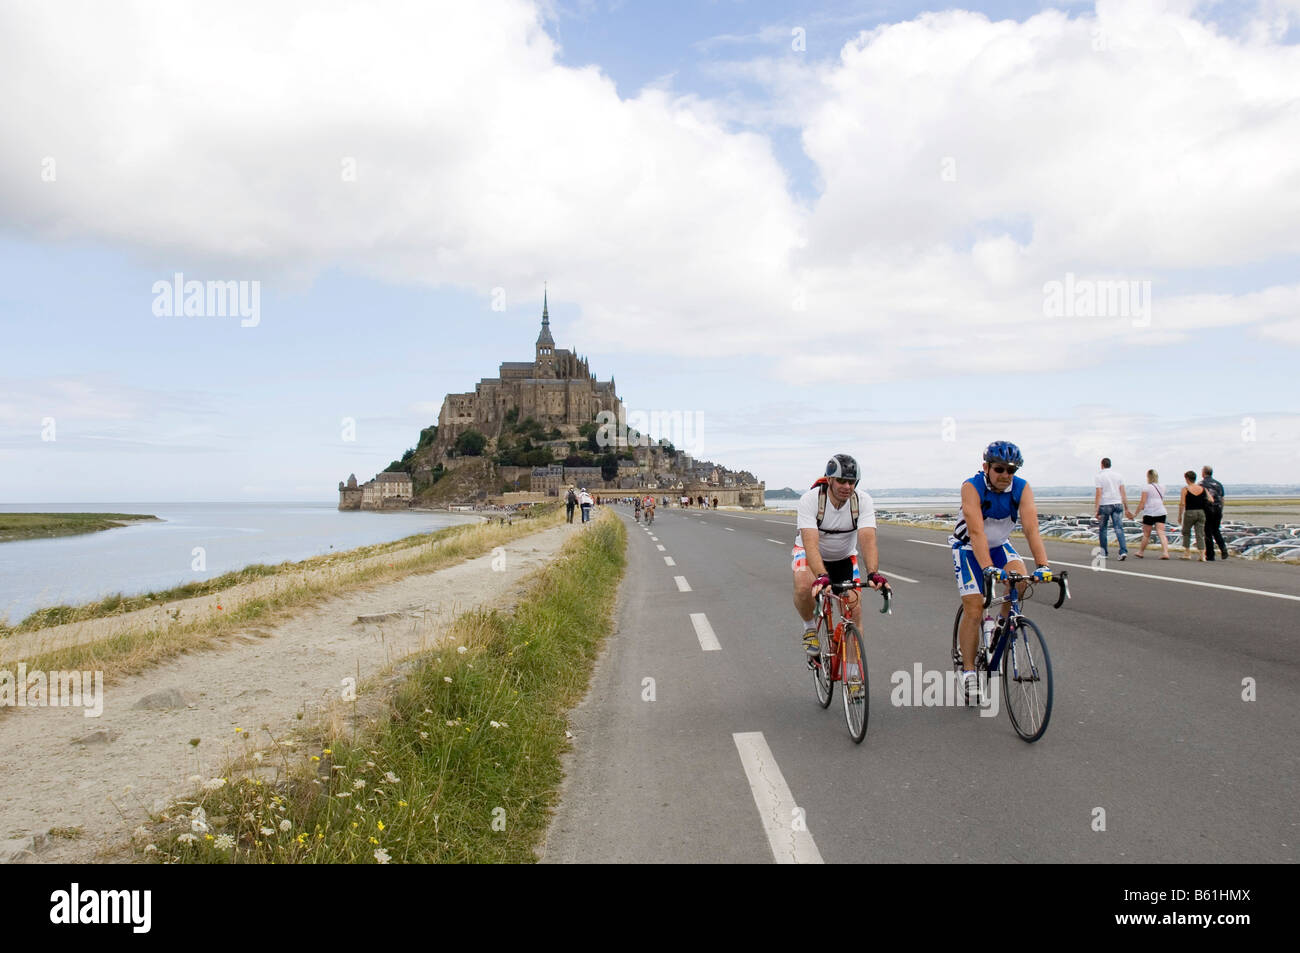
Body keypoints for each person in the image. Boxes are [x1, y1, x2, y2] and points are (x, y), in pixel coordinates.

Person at [952, 441, 1053, 703]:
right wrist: (988, 569)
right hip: (968, 548)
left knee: (1020, 582)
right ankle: (969, 671)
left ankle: (1000, 625)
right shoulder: (971, 487)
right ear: (986, 467)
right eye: (1000, 469)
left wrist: (1043, 566)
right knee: (975, 607)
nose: (1006, 475)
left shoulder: (1022, 488)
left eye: (1011, 470)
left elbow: (1031, 529)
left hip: (1000, 546)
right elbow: (976, 533)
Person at [791, 454, 887, 657]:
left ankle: (853, 677)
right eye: (842, 480)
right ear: (829, 479)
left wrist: (873, 573)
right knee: (802, 585)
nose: (847, 486)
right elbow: (810, 543)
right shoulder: (810, 500)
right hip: (810, 555)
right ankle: (809, 628)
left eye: (851, 482)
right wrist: (820, 575)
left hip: (843, 557)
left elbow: (868, 539)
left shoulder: (862, 501)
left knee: (854, 613)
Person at [1094, 457, 1132, 561]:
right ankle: (1123, 551)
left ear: (1102, 465)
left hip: (1105, 504)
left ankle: (1104, 552)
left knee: (1103, 529)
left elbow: (1099, 494)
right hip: (1117, 503)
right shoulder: (1118, 476)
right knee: (1119, 528)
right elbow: (1123, 492)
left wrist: (1096, 509)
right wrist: (1126, 507)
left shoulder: (1099, 476)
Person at [1134, 469, 1171, 559]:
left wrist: (1135, 513)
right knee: (1161, 533)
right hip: (1161, 511)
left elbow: (1142, 502)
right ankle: (1165, 552)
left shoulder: (1146, 487)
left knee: (1146, 534)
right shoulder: (1162, 486)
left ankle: (1141, 552)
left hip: (1149, 512)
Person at [1199, 466, 1228, 561]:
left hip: (1207, 510)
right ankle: (1223, 548)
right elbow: (1222, 499)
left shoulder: (1201, 484)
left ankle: (1210, 554)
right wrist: (1221, 509)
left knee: (1207, 531)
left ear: (1204, 473)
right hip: (1218, 509)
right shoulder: (1218, 484)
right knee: (1216, 530)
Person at [1177, 472, 1208, 560]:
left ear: (1187, 478)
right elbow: (1210, 499)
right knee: (1200, 533)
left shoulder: (1185, 489)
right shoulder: (1202, 488)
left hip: (1190, 512)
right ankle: (1202, 555)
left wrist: (1180, 515)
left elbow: (1182, 503)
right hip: (1201, 512)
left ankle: (1187, 553)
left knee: (1186, 532)